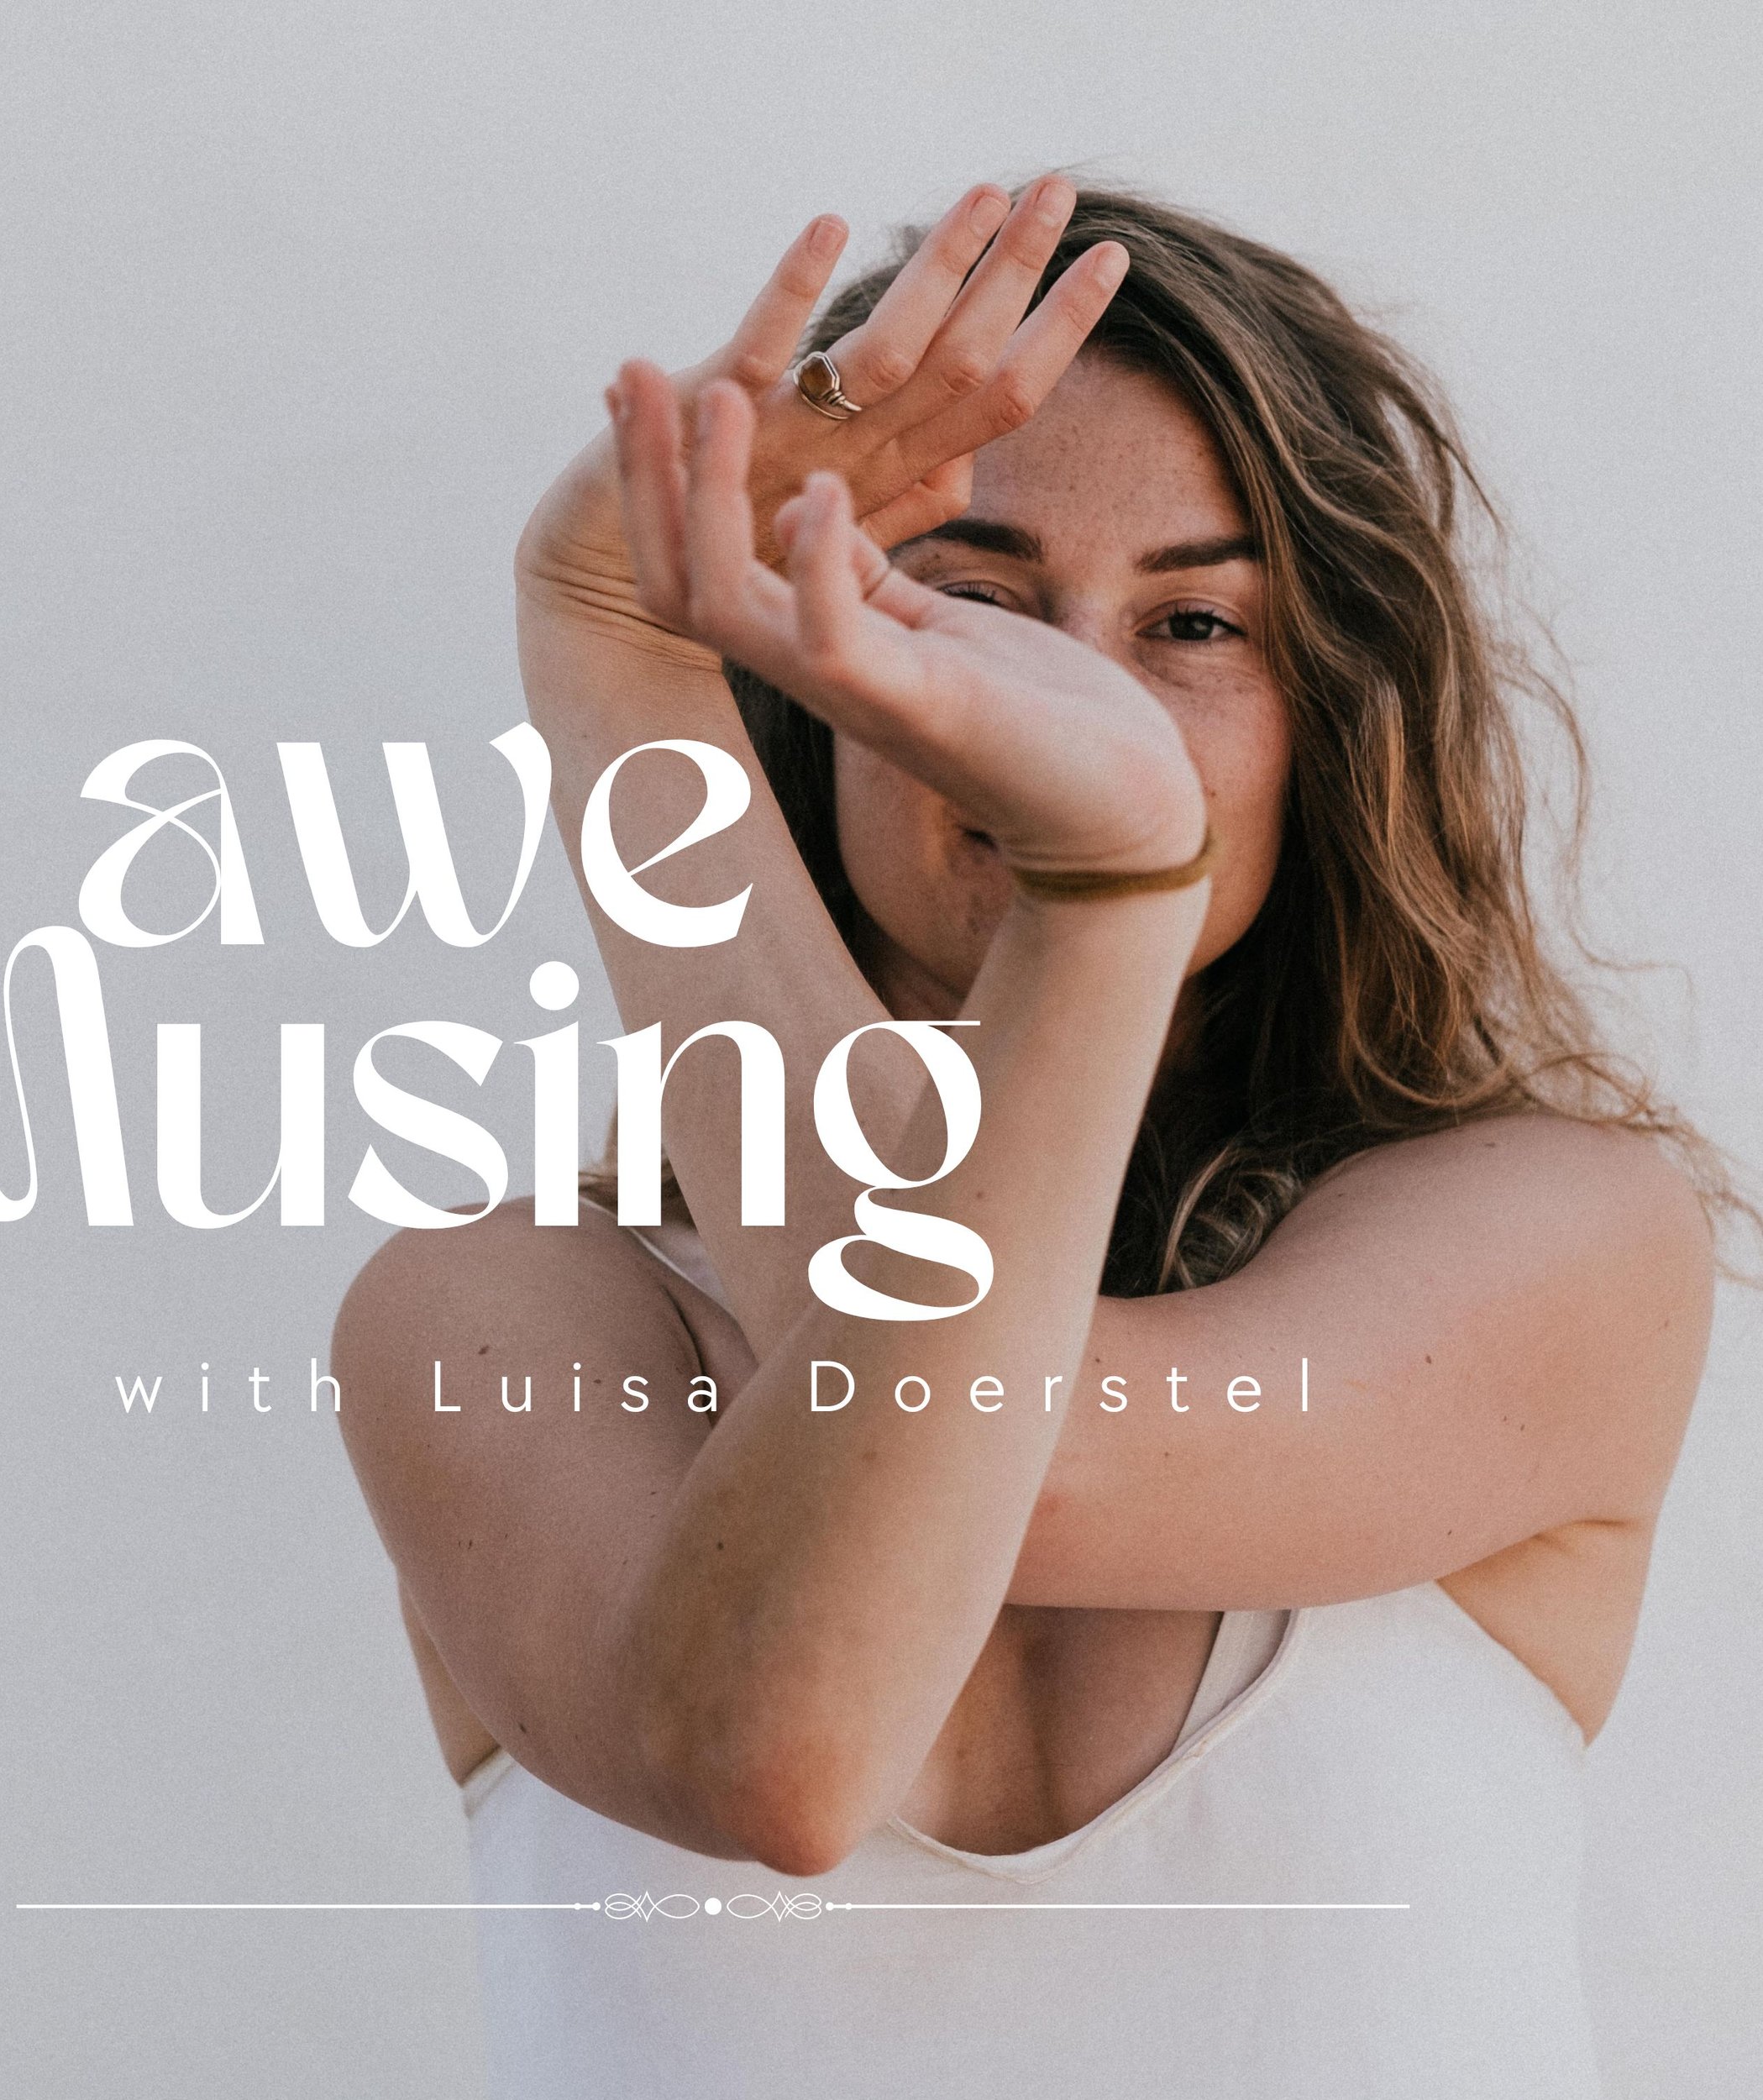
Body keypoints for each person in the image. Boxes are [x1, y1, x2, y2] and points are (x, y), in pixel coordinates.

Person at [333, 176, 1739, 2097]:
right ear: (795, 679)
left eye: (1189, 620)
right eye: (973, 599)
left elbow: (1001, 1448)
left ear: (1323, 718)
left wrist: (1083, 885)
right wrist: (615, 656)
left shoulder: (1548, 1233)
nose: (1068, 693)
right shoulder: (487, 1309)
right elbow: (790, 1733)